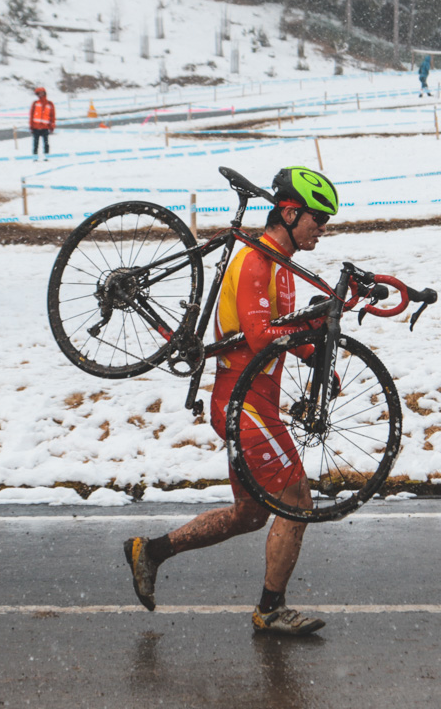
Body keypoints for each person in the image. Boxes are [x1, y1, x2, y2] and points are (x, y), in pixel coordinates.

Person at [124, 166, 340, 637]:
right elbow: (263, 335)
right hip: (247, 409)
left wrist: (314, 356)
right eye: (317, 219)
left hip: (248, 405)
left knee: (249, 515)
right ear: (289, 212)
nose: (322, 229)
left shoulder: (281, 268)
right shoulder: (256, 261)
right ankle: (270, 609)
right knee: (297, 500)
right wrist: (311, 332)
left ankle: (151, 551)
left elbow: (274, 335)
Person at [29, 86, 56, 160]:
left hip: (45, 127)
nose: (40, 95)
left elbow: (52, 116)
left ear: (44, 93)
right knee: (35, 144)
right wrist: (31, 125)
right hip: (36, 127)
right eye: (39, 93)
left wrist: (52, 125)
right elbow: (31, 115)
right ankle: (35, 157)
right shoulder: (35, 103)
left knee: (46, 144)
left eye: (42, 93)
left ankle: (46, 157)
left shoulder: (49, 104)